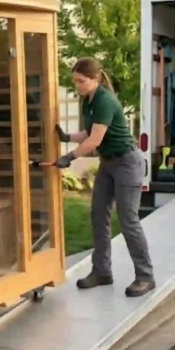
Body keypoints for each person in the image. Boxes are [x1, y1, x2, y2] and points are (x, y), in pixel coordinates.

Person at [49, 57, 156, 298]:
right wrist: (67, 137)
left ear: (95, 79)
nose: (77, 85)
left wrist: (69, 157)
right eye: (75, 81)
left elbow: (95, 141)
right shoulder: (90, 100)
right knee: (98, 214)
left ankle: (145, 276)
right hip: (108, 164)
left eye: (81, 81)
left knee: (128, 220)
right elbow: (90, 132)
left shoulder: (105, 100)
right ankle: (102, 272)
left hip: (127, 163)